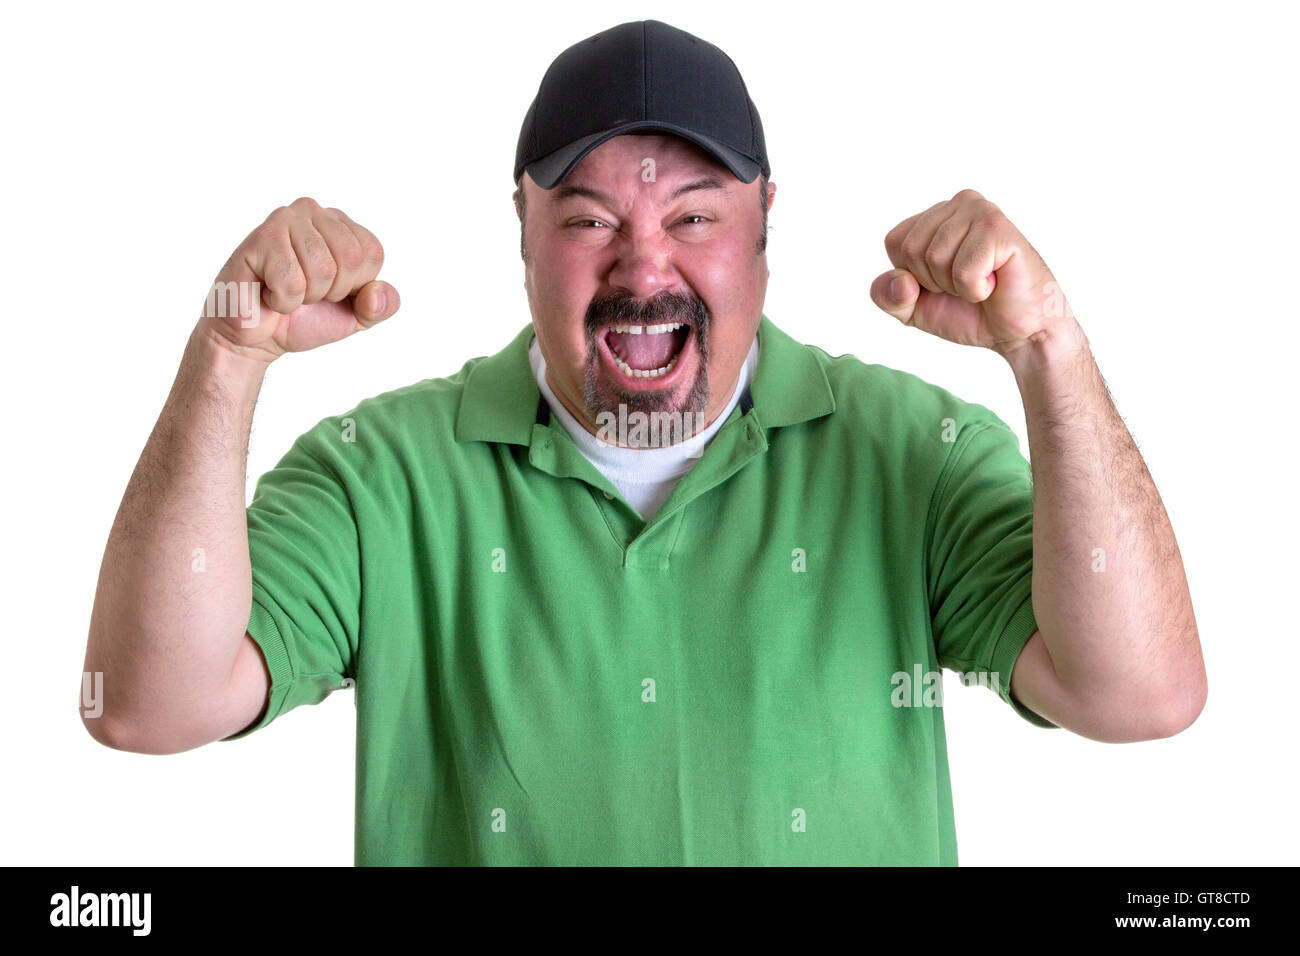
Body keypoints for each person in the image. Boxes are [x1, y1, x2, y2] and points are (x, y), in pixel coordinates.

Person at [82, 19, 1206, 865]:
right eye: (586, 220)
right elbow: (144, 704)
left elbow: (1138, 695)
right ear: (519, 232)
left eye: (695, 218)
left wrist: (1049, 351)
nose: (643, 268)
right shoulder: (384, 473)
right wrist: (225, 357)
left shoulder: (913, 450)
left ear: (766, 226)